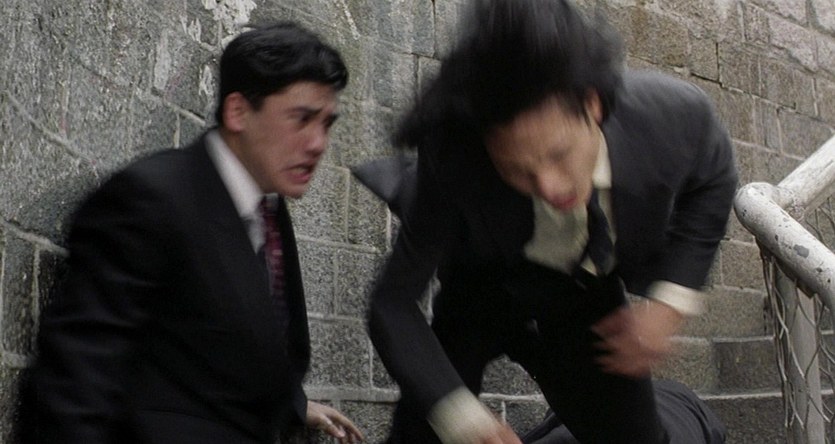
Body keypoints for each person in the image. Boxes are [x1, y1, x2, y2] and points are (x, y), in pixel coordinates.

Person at [359, 0, 737, 442]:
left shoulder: (673, 116)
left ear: (592, 105)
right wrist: (462, 419)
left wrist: (670, 302)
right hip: (476, 290)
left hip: (584, 298)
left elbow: (715, 179)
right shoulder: (454, 160)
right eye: (518, 170)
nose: (549, 186)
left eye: (558, 155)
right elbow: (391, 304)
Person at [27, 22, 363, 444]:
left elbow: (229, 356)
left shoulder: (268, 211)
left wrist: (293, 405)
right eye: (302, 119)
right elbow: (76, 384)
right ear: (238, 112)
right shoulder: (150, 199)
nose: (318, 143)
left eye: (327, 123)